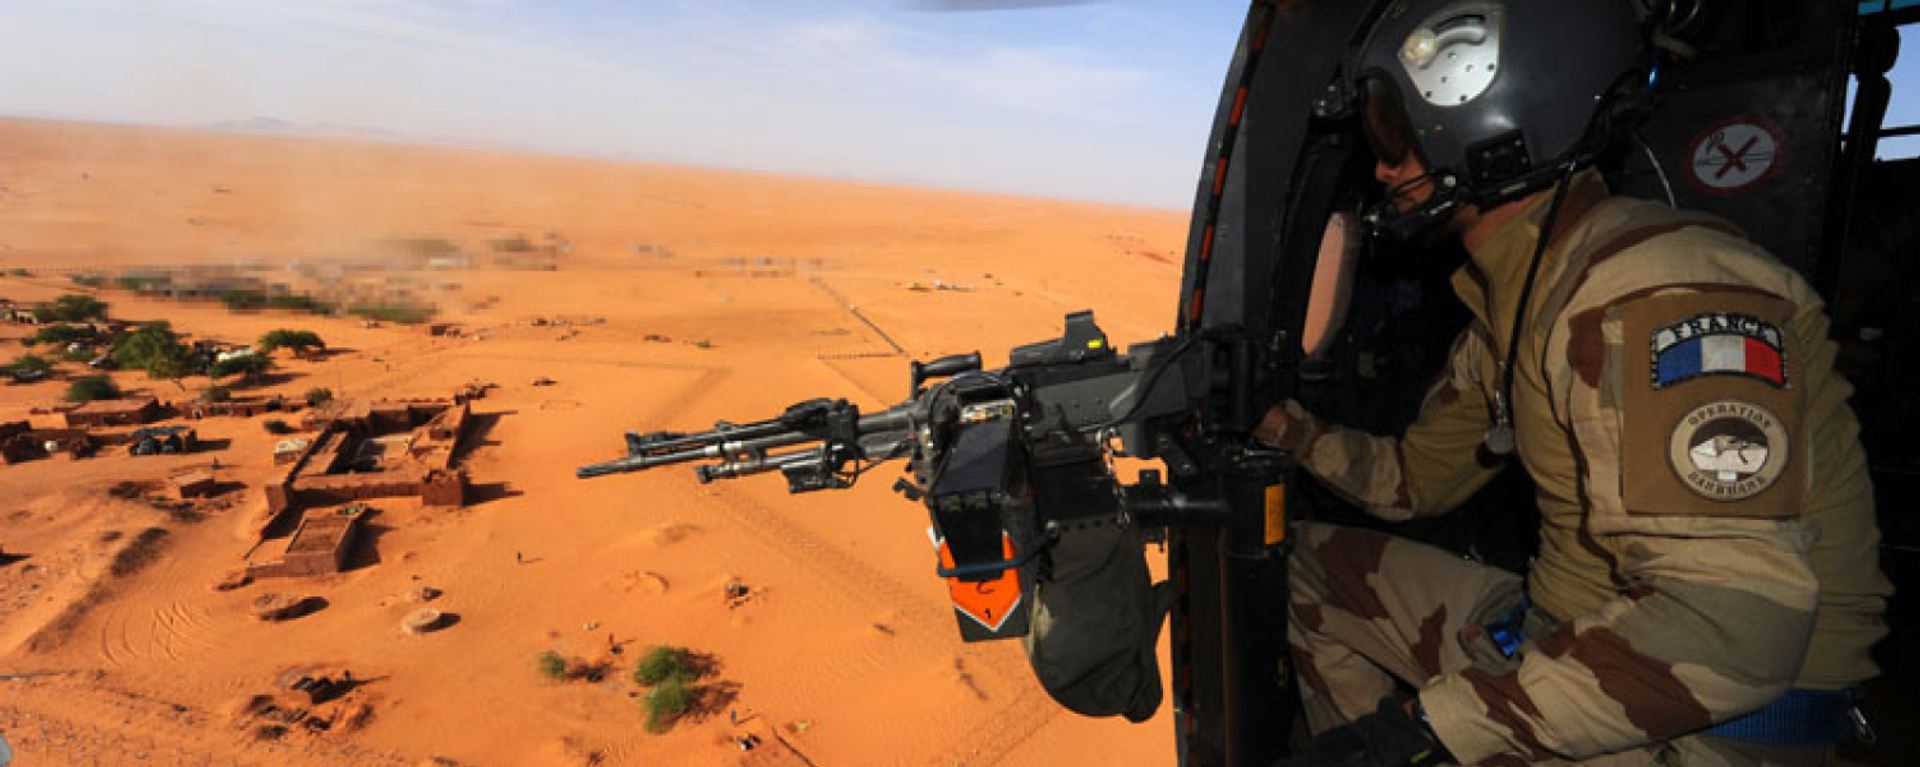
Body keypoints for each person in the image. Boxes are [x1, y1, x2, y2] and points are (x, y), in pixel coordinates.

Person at [1265, 2, 1892, 766]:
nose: (1383, 167)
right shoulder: (1517, 300)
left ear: (1494, 124)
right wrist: (1285, 429)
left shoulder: (1649, 286)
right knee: (1310, 570)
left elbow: (1729, 630)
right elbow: (1411, 482)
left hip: (1705, 725)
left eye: (1396, 132)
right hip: (1571, 621)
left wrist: (1422, 729)